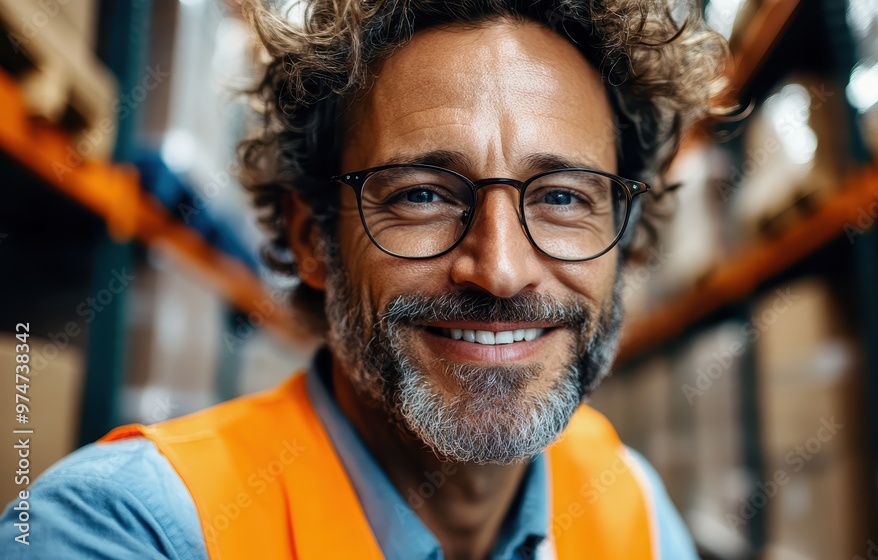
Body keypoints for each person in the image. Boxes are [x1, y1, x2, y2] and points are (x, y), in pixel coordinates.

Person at [2, 0, 728, 558]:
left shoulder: (631, 507)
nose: (501, 270)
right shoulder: (128, 529)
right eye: (423, 194)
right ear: (310, 239)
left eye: (564, 197)